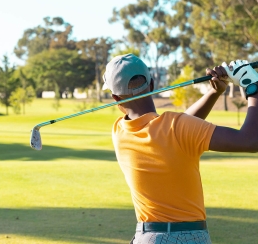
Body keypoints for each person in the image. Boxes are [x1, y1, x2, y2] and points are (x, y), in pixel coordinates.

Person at [102, 54, 258, 244]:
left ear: (115, 98)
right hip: (191, 237)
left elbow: (180, 127)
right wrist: (253, 86)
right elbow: (250, 141)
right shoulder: (178, 128)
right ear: (152, 84)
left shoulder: (118, 131)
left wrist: (214, 93)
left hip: (147, 237)